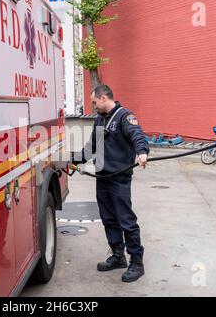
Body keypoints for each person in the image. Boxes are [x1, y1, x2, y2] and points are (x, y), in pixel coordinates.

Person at [71, 85, 149, 283]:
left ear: (104, 97)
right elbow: (89, 150)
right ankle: (118, 256)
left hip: (119, 179)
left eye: (95, 102)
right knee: (108, 218)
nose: (93, 106)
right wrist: (70, 158)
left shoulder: (125, 117)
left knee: (126, 221)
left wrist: (142, 152)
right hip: (102, 179)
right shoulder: (99, 120)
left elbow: (137, 135)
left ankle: (137, 263)